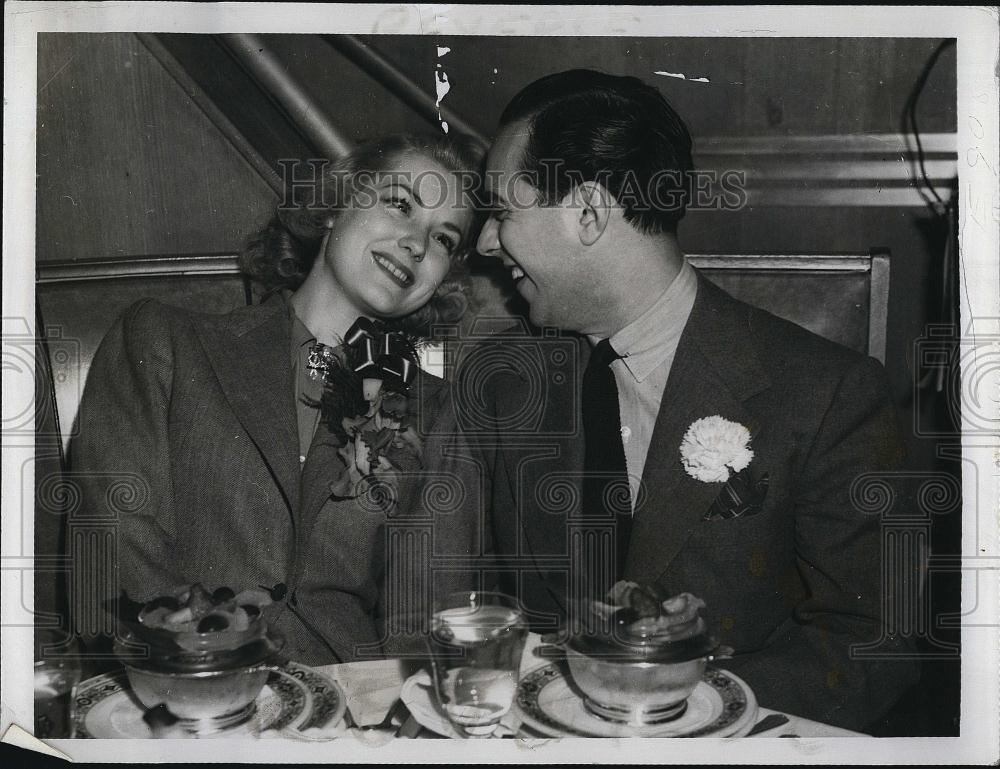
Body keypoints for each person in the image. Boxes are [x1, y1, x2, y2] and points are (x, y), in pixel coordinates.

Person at [469, 69, 920, 731]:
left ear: (589, 212)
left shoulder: (829, 395)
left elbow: (875, 643)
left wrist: (689, 696)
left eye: (503, 212)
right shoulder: (505, 379)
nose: (484, 240)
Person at [69, 133, 486, 665]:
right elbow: (115, 554)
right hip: (184, 690)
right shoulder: (162, 342)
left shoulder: (438, 411)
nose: (417, 245)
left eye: (444, 239)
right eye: (400, 204)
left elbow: (424, 621)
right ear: (337, 206)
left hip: (348, 718)